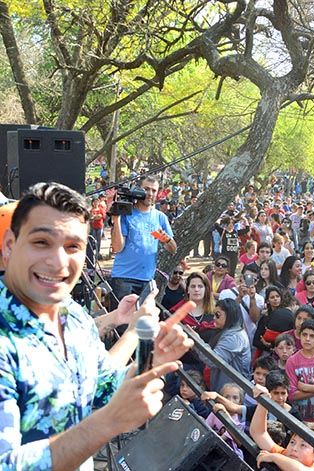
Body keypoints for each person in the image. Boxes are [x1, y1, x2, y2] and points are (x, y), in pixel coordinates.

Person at [0, 182, 191, 469]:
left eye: (73, 246)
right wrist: (107, 423)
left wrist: (148, 362)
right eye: (41, 242)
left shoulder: (73, 316)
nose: (58, 261)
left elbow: (100, 387)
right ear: (9, 245)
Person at [110, 175, 177, 305]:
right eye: (146, 189)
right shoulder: (127, 214)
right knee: (123, 323)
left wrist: (167, 239)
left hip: (147, 279)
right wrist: (117, 220)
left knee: (142, 323)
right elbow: (117, 248)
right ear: (138, 190)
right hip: (124, 278)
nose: (150, 193)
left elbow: (173, 249)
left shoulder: (160, 217)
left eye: (154, 190)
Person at [250, 384, 314, 471]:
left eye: (303, 445)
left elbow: (299, 470)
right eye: (292, 442)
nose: (294, 448)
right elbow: (258, 433)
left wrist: (273, 457)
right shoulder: (285, 455)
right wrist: (264, 400)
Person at [196, 298, 251, 392]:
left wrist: (196, 341)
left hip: (231, 393)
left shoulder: (234, 337)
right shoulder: (229, 332)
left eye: (218, 315)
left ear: (230, 316)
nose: (214, 318)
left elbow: (213, 360)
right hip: (224, 388)